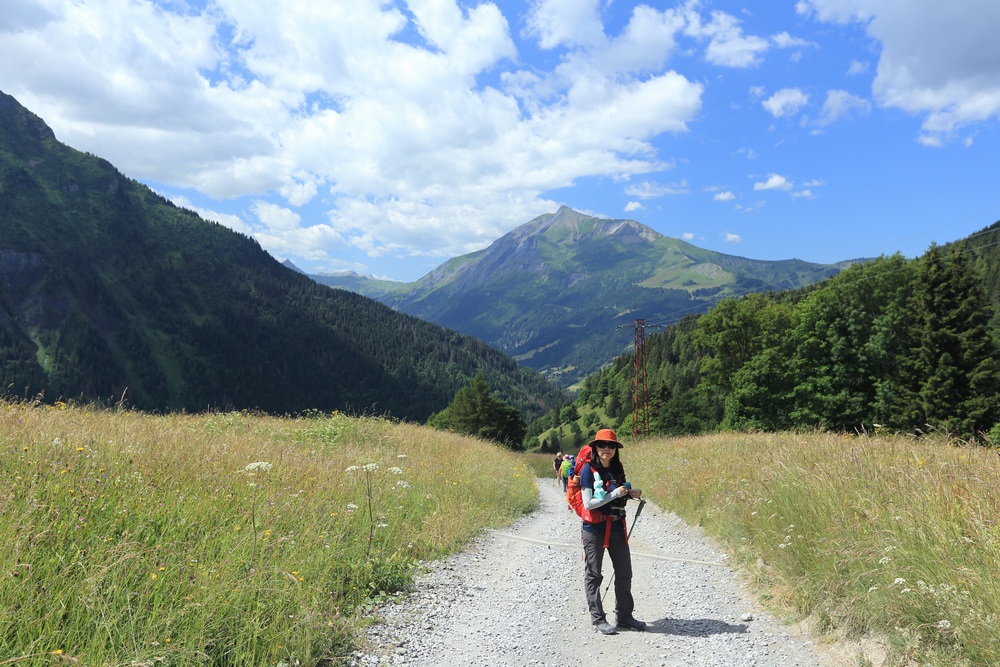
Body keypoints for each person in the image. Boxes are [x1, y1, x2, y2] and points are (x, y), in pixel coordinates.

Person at [578, 428, 646, 635]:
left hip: (617, 525)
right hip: (594, 529)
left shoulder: (618, 468)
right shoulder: (587, 471)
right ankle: (598, 620)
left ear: (616, 449)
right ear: (595, 447)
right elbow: (588, 504)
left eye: (611, 445)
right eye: (602, 445)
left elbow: (616, 497)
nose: (606, 449)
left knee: (625, 573)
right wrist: (616, 493)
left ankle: (624, 617)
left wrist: (630, 494)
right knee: (594, 574)